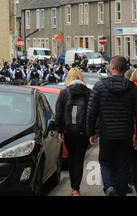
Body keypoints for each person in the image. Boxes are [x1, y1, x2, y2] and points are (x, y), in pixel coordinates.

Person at [86, 56, 137, 196]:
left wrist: (91, 133)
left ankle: (109, 187)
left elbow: (91, 113)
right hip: (125, 134)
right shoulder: (133, 89)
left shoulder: (100, 86)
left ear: (112, 67)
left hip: (107, 134)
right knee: (123, 165)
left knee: (105, 162)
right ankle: (120, 191)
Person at [55, 68, 91, 196]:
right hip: (83, 132)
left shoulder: (64, 93)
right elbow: (92, 114)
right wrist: (92, 132)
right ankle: (76, 187)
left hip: (68, 131)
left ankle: (73, 187)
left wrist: (60, 130)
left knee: (71, 156)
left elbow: (58, 114)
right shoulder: (88, 93)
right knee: (79, 158)